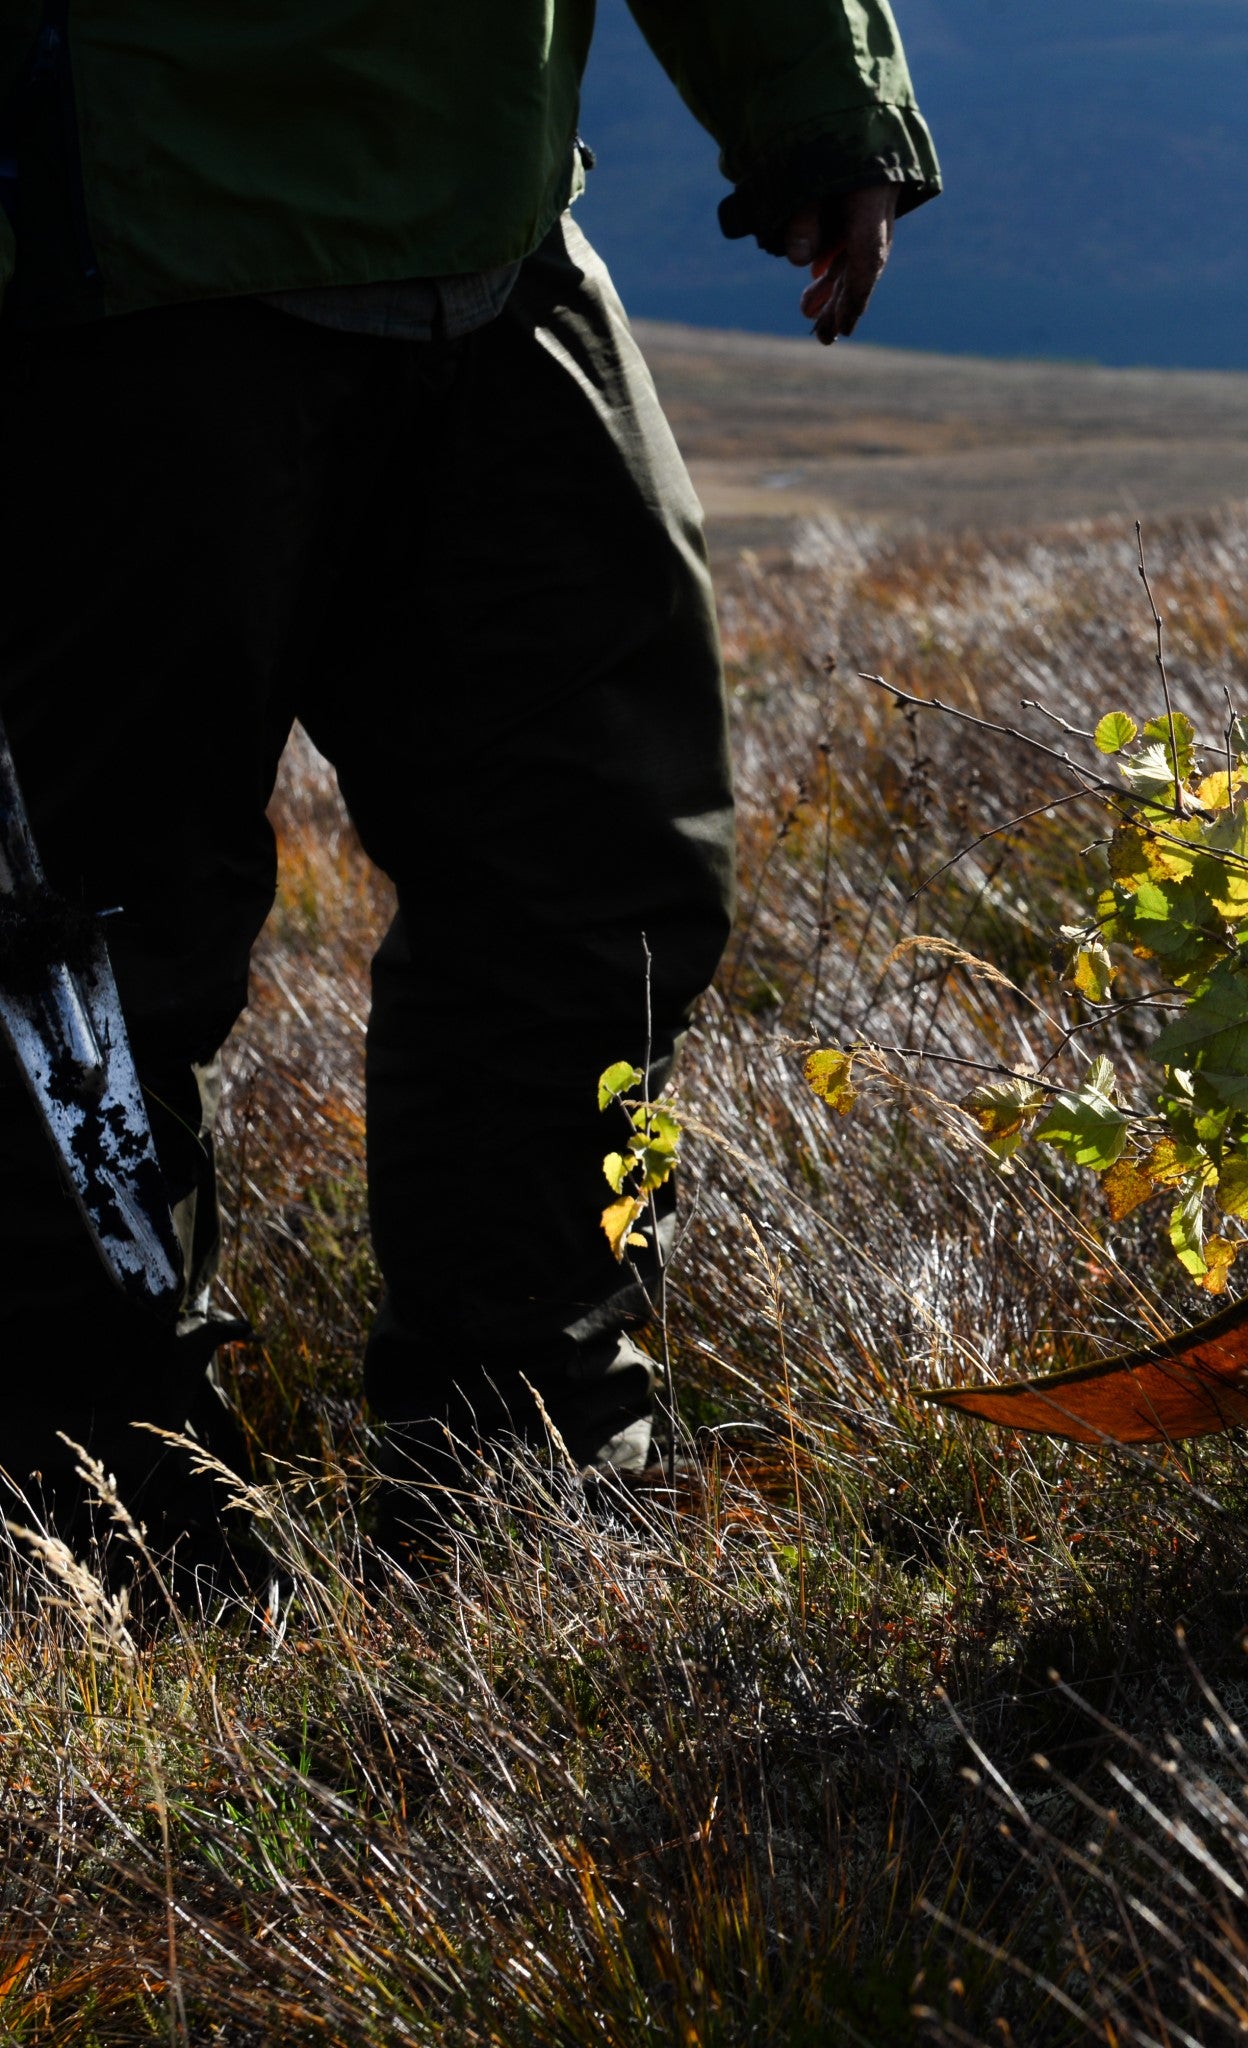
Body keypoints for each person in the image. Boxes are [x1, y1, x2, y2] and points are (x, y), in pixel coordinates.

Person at [0, 2, 939, 1561]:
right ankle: (91, 1531)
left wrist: (817, 100)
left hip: (494, 239)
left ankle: (528, 1480)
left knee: (593, 877)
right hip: (115, 251)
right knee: (76, 966)